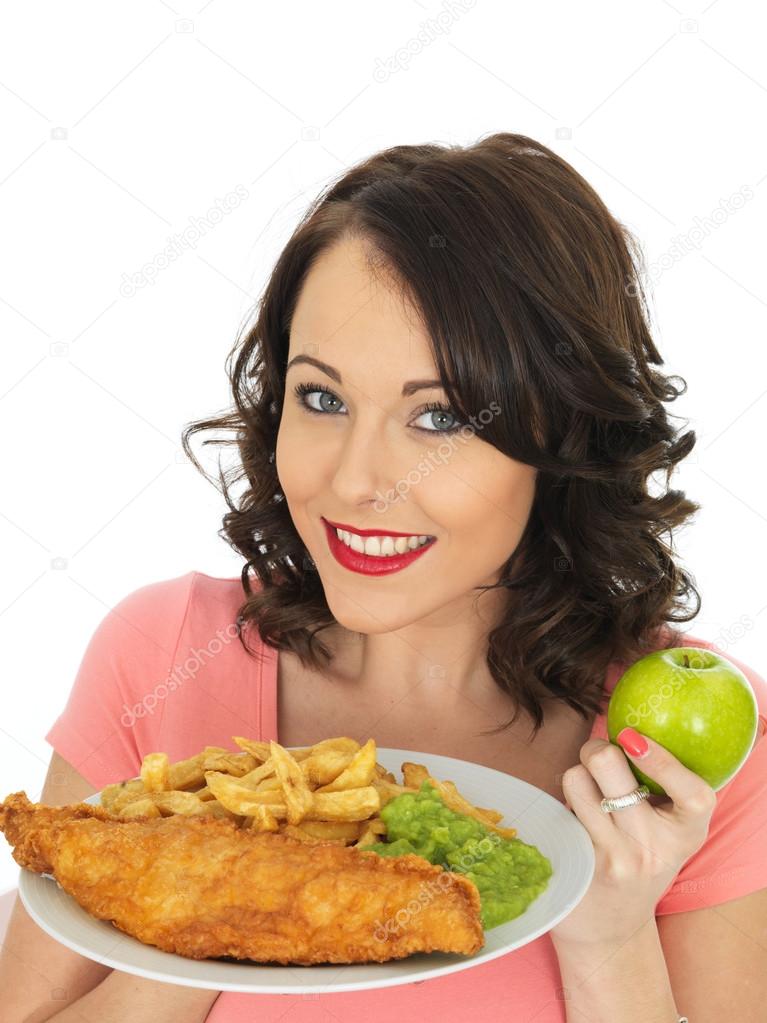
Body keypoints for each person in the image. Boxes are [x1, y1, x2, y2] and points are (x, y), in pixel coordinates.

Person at [5, 132, 766, 1022]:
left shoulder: (680, 757)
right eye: (322, 398)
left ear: (563, 437)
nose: (358, 480)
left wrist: (611, 935)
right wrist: (216, 902)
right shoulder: (163, 655)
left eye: (438, 414)